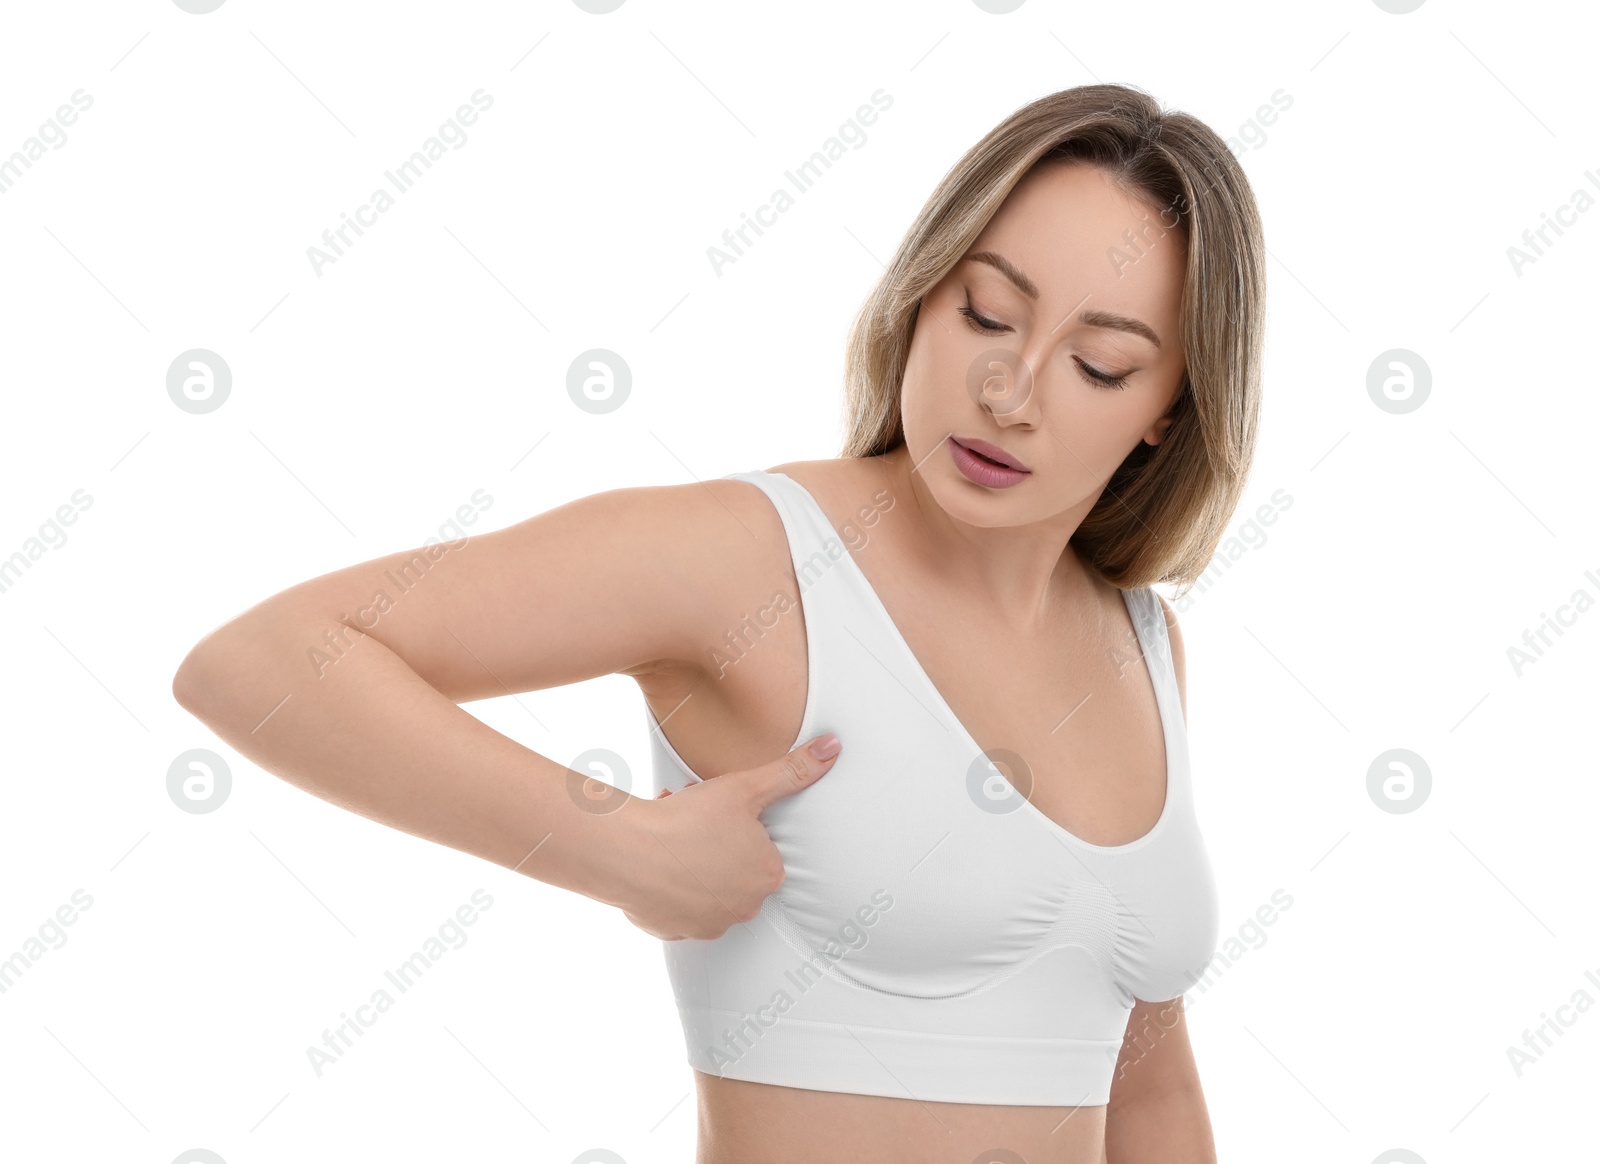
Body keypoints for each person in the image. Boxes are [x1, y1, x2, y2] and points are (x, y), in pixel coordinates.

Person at [173, 82, 1264, 1163]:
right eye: (983, 310)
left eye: (1099, 363)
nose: (1009, 390)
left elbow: (1153, 1100)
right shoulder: (755, 564)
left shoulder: (1142, 642)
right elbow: (263, 663)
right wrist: (617, 848)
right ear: (923, 293)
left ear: (1167, 404)